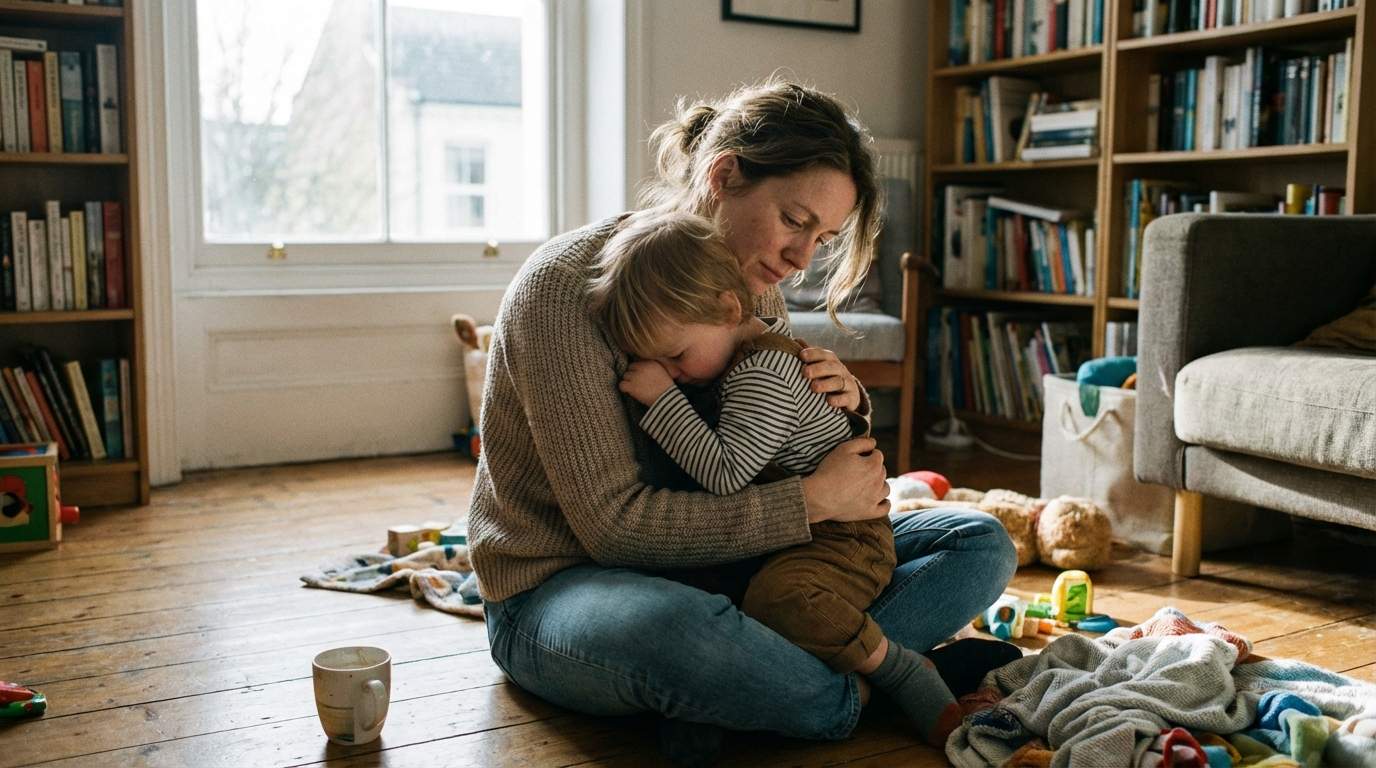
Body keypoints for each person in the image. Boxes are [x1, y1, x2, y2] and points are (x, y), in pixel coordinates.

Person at [469, 79, 1018, 752]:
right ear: (724, 176)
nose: (800, 260)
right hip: (564, 587)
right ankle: (865, 686)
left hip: (738, 565)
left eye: (823, 237)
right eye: (795, 221)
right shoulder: (567, 288)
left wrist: (844, 400)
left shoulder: (755, 295)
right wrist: (812, 502)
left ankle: (765, 686)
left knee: (978, 542)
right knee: (681, 632)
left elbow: (769, 443)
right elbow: (614, 530)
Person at [588, 208, 1006, 747]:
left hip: (843, 538)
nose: (673, 372)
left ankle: (898, 669)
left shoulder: (761, 370)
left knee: (777, 600)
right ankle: (796, 694)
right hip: (792, 532)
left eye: (675, 356)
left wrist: (664, 400)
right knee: (726, 602)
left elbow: (727, 473)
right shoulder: (737, 352)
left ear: (727, 306)